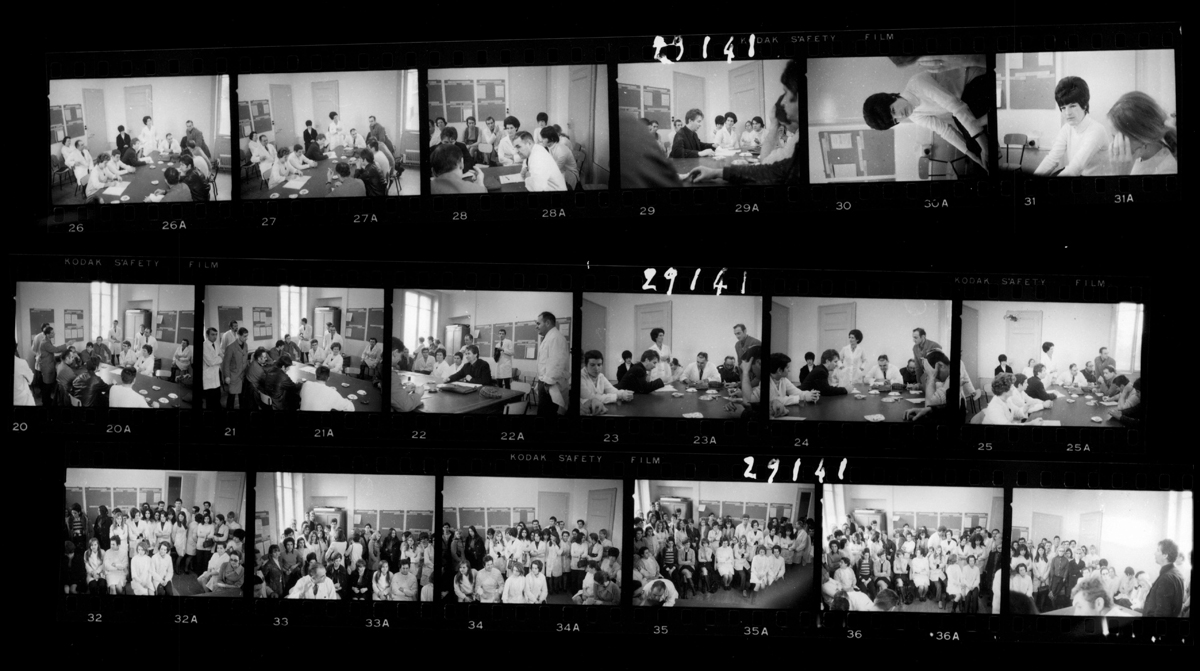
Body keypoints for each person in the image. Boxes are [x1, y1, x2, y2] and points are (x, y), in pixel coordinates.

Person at [862, 61, 989, 171]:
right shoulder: (914, 116)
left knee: (976, 137)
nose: (900, 116)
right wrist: (972, 155)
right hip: (966, 102)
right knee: (973, 147)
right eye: (896, 121)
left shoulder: (917, 83)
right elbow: (944, 130)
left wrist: (984, 147)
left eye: (893, 111)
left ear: (892, 97)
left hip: (974, 80)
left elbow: (955, 105)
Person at [1034, 77, 1112, 177]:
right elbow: (1052, 159)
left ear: (1084, 105)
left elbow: (1075, 168)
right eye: (1063, 108)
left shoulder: (1097, 130)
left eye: (1072, 106)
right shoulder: (1067, 128)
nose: (1067, 113)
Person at [535, 312, 569, 416]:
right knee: (543, 412)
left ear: (547, 323)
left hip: (549, 384)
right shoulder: (550, 337)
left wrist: (548, 383)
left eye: (538, 323)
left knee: (546, 414)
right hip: (545, 382)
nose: (537, 327)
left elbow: (557, 362)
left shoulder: (556, 337)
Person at [1143, 539, 1185, 617]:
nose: (1154, 553)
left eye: (1158, 550)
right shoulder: (1175, 573)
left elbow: (1162, 613)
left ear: (1165, 555)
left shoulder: (1166, 578)